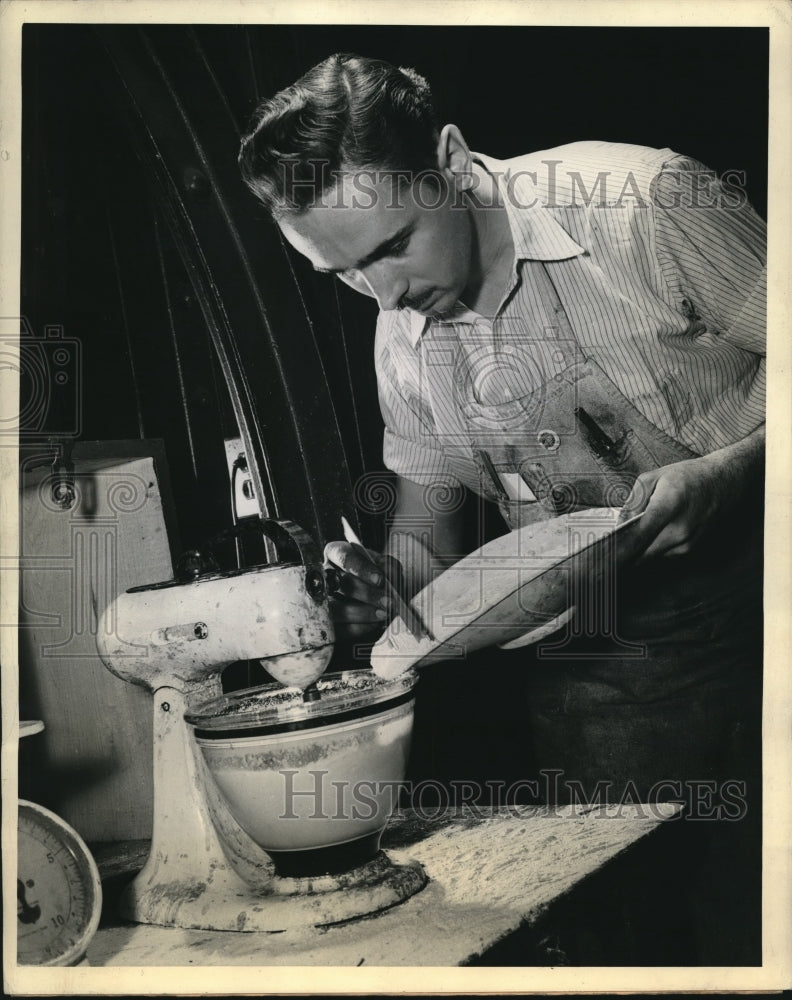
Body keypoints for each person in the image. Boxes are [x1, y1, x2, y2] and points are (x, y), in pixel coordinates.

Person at [237, 53, 764, 862]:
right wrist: (386, 592)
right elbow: (424, 549)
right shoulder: (400, 343)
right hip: (605, 674)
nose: (382, 297)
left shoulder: (647, 205)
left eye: (393, 247)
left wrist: (734, 472)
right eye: (338, 272)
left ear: (451, 161)